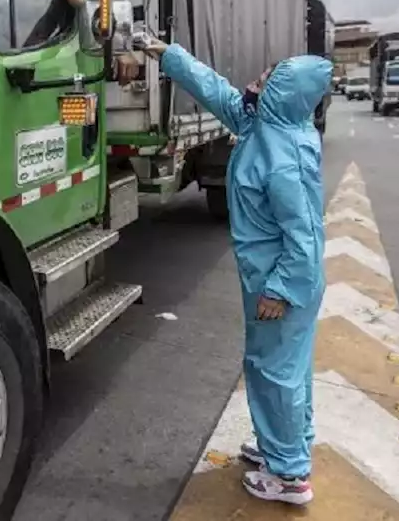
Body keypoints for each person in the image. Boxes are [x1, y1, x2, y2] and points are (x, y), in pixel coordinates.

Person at [142, 38, 332, 505]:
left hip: (282, 283)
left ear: (282, 95)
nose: (256, 80)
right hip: (274, 278)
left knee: (275, 372)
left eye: (268, 79)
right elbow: (216, 90)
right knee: (287, 369)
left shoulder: (283, 154)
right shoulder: (264, 123)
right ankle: (284, 447)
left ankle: (288, 476)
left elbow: (304, 239)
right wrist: (165, 54)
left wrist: (281, 289)